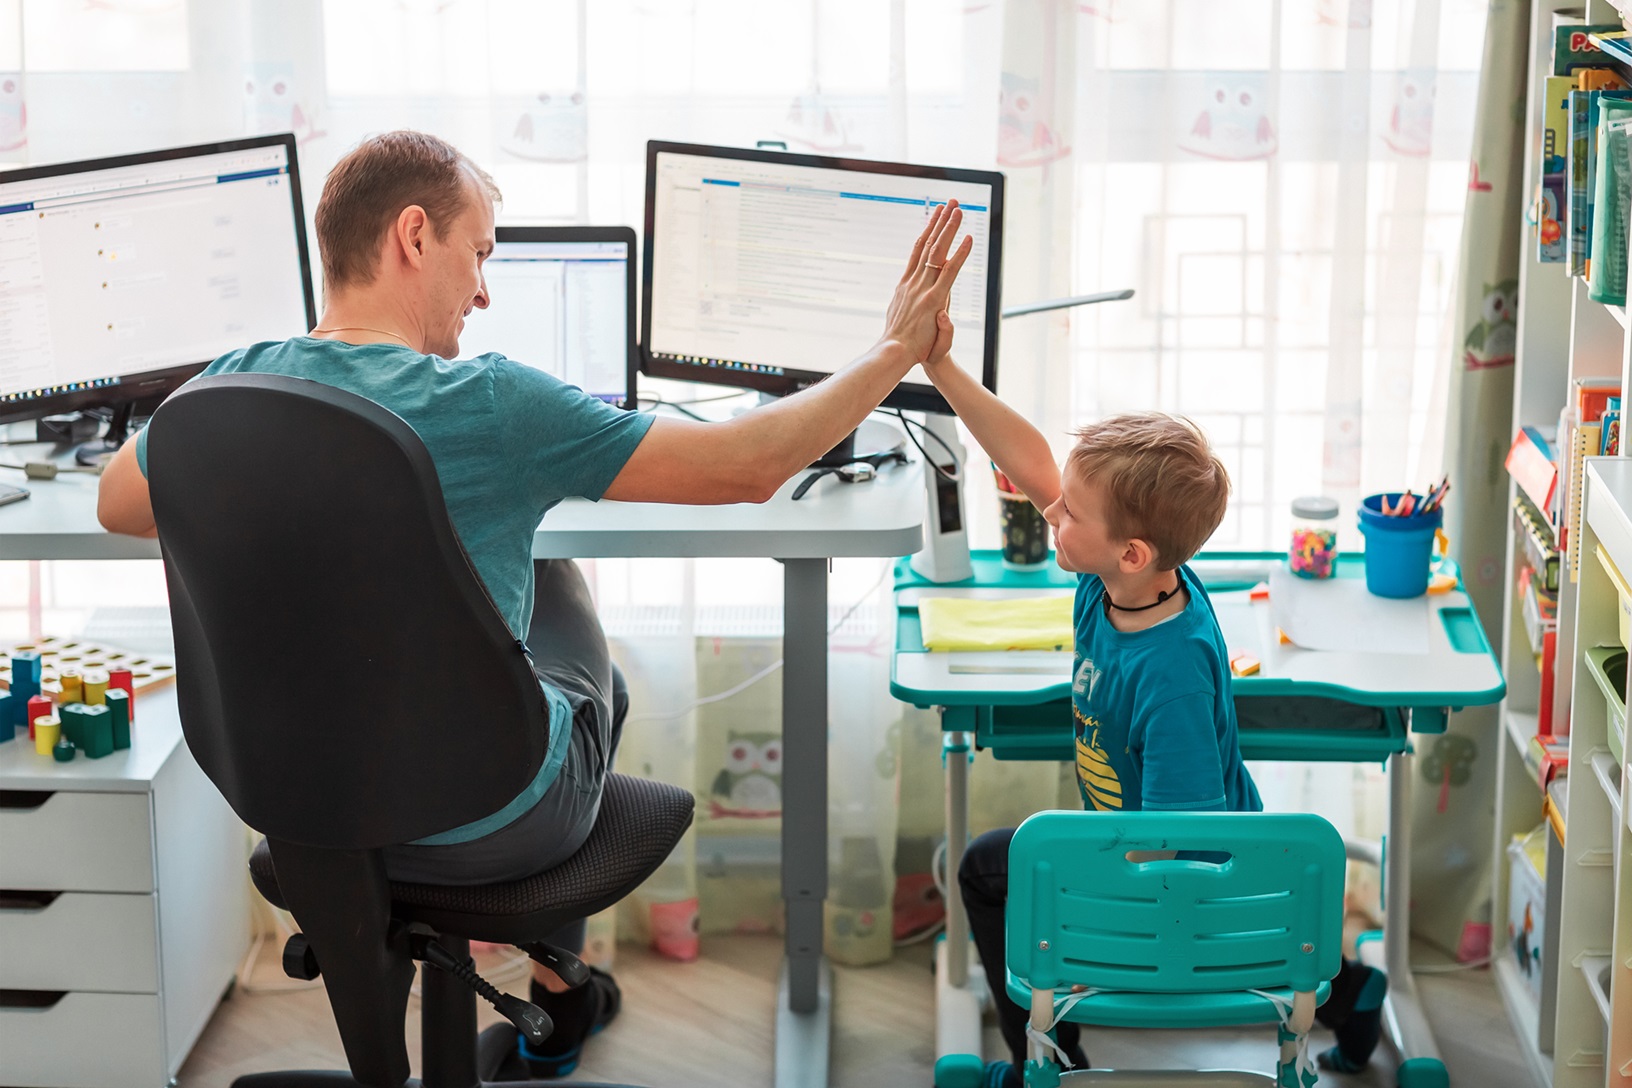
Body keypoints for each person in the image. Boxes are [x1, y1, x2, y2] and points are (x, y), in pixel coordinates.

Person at [96, 129, 973, 1078]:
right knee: (570, 617)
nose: (483, 291)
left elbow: (118, 503)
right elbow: (751, 465)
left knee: (534, 586)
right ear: (414, 236)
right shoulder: (494, 405)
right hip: (486, 818)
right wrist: (895, 351)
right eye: (479, 255)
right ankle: (560, 983)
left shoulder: (227, 384)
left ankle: (504, 984)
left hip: (296, 803)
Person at [913, 347, 1385, 1085]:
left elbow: (1180, 850)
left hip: (1189, 882)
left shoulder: (1171, 681)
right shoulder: (1120, 579)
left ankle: (1052, 1063)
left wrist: (1075, 885)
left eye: (1068, 510)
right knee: (1025, 861)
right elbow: (1033, 460)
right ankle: (1352, 994)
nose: (1050, 512)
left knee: (990, 867)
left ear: (1130, 551)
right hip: (1153, 845)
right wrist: (940, 368)